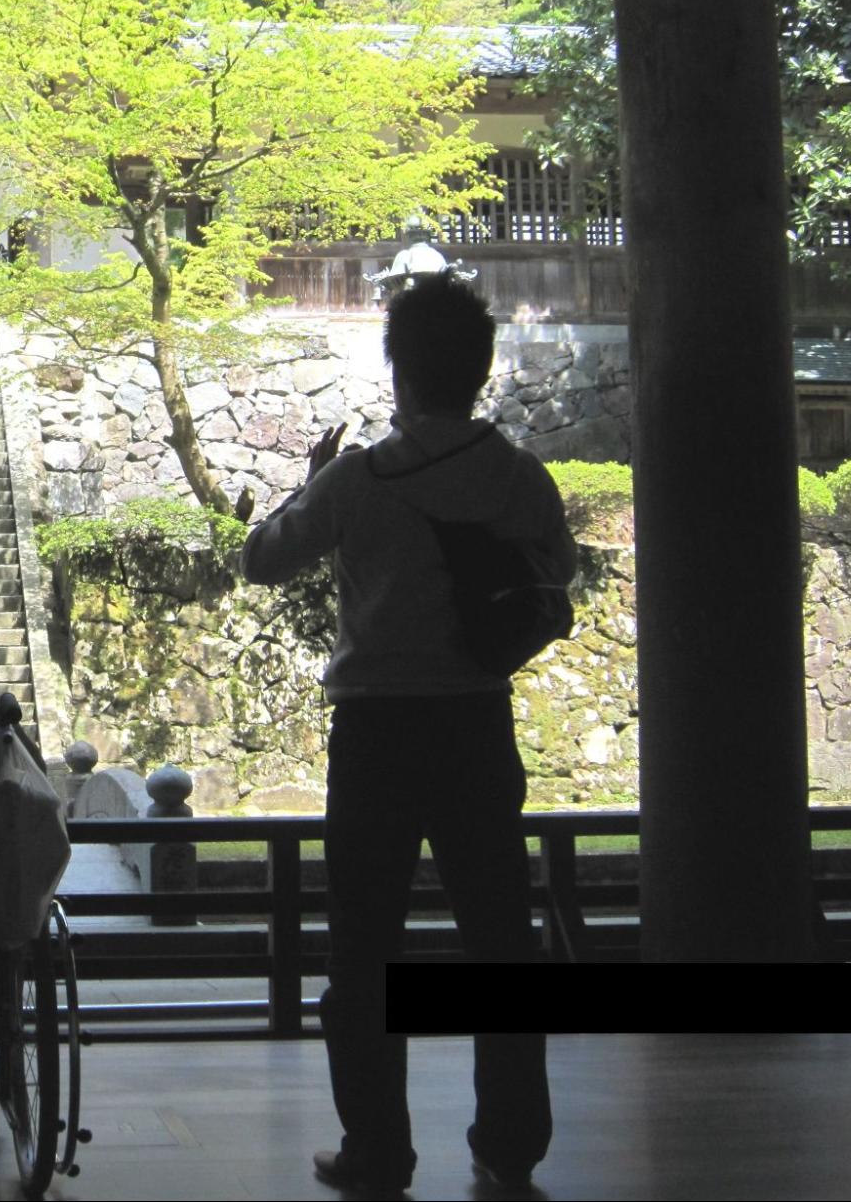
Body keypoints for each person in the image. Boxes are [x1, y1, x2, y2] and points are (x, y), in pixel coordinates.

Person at [239, 275, 576, 1194]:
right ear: (480, 370)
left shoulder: (359, 478)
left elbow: (261, 560)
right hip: (474, 720)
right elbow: (554, 577)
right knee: (499, 938)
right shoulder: (517, 475)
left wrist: (309, 485)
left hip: (376, 730)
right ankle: (510, 1143)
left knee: (363, 947)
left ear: (399, 371)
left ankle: (378, 1149)